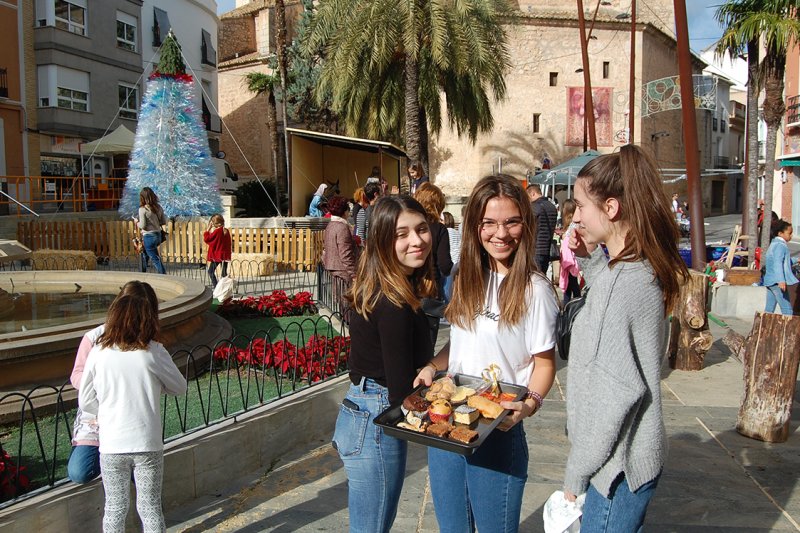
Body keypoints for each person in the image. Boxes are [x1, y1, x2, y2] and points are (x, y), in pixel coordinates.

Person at [419, 174, 559, 533]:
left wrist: (530, 404)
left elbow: (544, 363)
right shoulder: (466, 275)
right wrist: (432, 367)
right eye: (489, 223)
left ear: (525, 225)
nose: (501, 233)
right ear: (475, 227)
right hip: (446, 423)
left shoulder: (535, 289)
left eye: (511, 222)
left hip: (498, 430)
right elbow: (462, 343)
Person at [563, 144, 689, 531]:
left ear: (611, 208)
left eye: (582, 205)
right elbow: (614, 305)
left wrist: (576, 471)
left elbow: (612, 393)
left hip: (614, 468)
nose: (577, 216)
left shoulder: (625, 283)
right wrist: (591, 258)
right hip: (631, 459)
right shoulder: (638, 268)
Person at [332, 195, 437, 533]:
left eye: (421, 229)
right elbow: (399, 392)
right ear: (382, 240)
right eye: (401, 234)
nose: (416, 240)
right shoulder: (393, 301)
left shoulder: (390, 283)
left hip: (362, 411)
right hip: (376, 415)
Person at [78, 281, 187, 532]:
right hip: (146, 443)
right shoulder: (153, 352)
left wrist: (104, 412)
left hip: (112, 443)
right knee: (149, 507)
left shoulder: (98, 352)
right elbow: (179, 387)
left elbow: (86, 400)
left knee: (115, 508)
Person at [67, 281, 160, 485]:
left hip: (131, 416)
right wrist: (103, 381)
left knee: (142, 473)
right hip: (97, 418)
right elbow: (77, 374)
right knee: (79, 471)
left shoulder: (145, 338)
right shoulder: (94, 338)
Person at [414, 183, 452, 299]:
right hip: (431, 287)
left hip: (409, 282)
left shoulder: (409, 226)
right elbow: (445, 266)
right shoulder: (440, 229)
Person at [763, 219, 798, 315]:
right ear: (780, 233)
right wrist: (781, 280)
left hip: (770, 281)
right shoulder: (780, 246)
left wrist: (796, 260)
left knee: (769, 310)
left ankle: (763, 328)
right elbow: (778, 263)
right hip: (776, 281)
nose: (791, 236)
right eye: (789, 233)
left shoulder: (774, 244)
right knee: (787, 309)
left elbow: (783, 262)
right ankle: (787, 330)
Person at [322, 195, 358, 282]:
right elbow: (345, 254)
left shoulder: (330, 225)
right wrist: (354, 274)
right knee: (343, 295)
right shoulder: (342, 227)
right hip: (342, 273)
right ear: (344, 211)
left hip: (332, 269)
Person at [134, 187, 167, 274]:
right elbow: (163, 221)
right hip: (158, 235)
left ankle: (164, 276)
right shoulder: (158, 207)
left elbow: (143, 225)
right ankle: (142, 273)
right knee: (144, 255)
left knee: (155, 258)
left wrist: (137, 222)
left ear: (142, 197)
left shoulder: (143, 210)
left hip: (149, 236)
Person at [527, 184, 558, 274]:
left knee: (534, 279)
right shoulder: (552, 207)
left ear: (533, 193)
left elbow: (529, 227)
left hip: (535, 249)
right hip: (547, 249)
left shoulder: (534, 207)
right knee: (542, 276)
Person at [558, 199, 581, 304]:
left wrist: (564, 236)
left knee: (571, 284)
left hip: (570, 260)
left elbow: (570, 240)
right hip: (571, 260)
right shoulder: (573, 224)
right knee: (571, 283)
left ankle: (571, 305)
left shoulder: (574, 225)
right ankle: (569, 304)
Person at [204, 214, 232, 289]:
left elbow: (207, 239)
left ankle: (217, 287)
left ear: (213, 223)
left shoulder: (217, 231)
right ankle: (226, 288)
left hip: (217, 255)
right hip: (224, 255)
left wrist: (208, 230)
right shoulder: (226, 230)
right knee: (224, 273)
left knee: (210, 271)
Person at [441, 211, 461, 303]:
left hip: (450, 264)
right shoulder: (456, 232)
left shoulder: (445, 232)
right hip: (458, 263)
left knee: (446, 292)